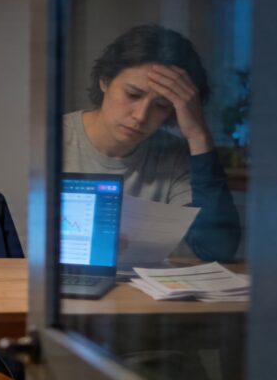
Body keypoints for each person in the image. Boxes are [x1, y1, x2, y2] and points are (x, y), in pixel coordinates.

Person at [63, 24, 241, 262]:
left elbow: (217, 249)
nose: (140, 115)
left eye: (161, 105)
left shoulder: (174, 156)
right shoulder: (54, 141)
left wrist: (198, 135)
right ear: (104, 81)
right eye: (132, 95)